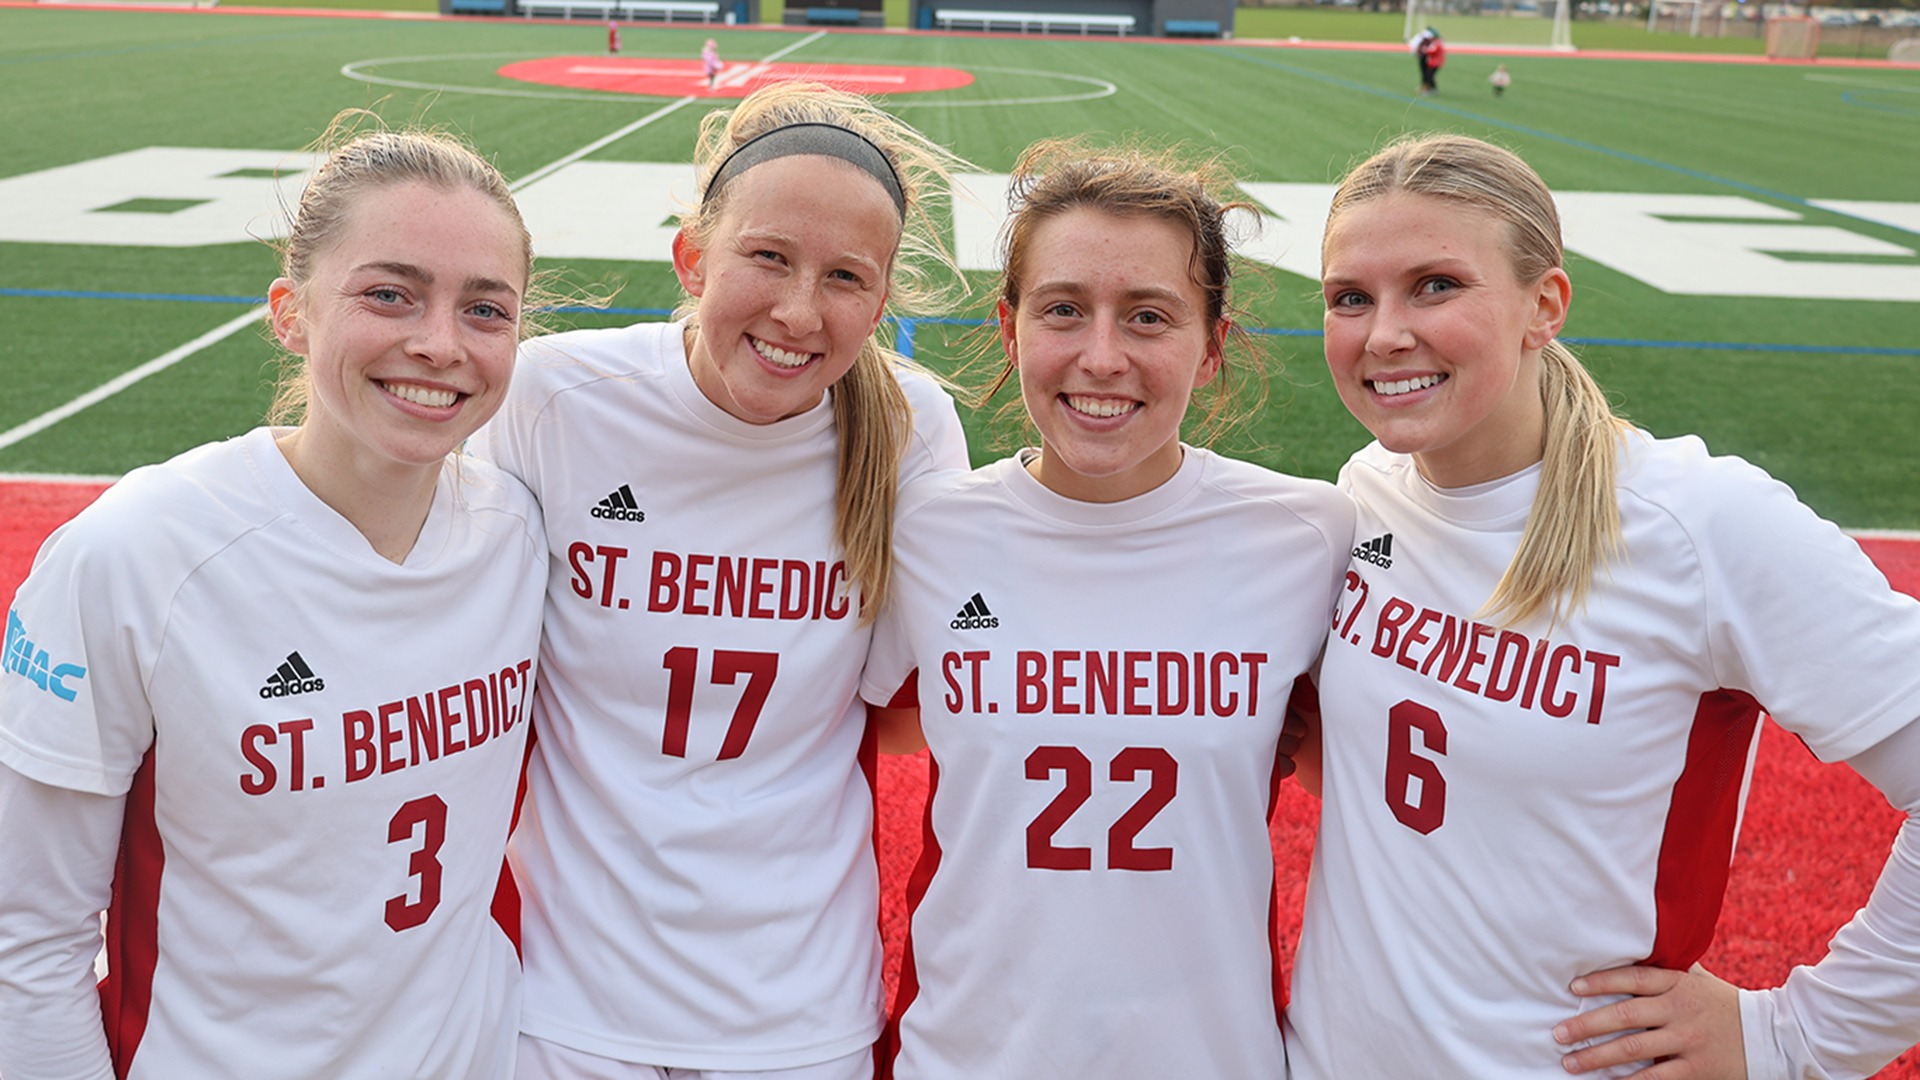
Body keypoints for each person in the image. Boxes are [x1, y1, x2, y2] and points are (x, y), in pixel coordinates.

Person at [1283, 132, 1920, 1078]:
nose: (1383, 335)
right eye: (1351, 297)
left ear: (1545, 305)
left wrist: (1798, 1039)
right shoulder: (1369, 489)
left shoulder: (1698, 524)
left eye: (1436, 285)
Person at [0, 116, 549, 1079]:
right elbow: (25, 942)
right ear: (291, 312)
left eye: (485, 310)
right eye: (390, 294)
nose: (437, 343)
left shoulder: (522, 537)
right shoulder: (137, 558)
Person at [471, 81, 971, 1080]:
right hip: (564, 1001)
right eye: (767, 257)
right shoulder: (555, 398)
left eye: (844, 278)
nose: (797, 309)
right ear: (693, 257)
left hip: (798, 1009)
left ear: (881, 302)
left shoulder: (912, 435)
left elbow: (907, 708)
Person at [859, 139, 1355, 1078]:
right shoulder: (927, 531)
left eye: (1149, 317)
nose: (1101, 356)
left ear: (1212, 346)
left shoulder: (1311, 537)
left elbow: (1386, 773)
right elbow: (878, 726)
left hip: (1213, 1056)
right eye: (1063, 310)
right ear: (1009, 329)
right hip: (965, 1054)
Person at [1413, 27, 1444, 94]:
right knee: (1428, 75)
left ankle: (1430, 88)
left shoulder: (1436, 43)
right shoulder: (1433, 42)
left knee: (1429, 75)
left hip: (1434, 63)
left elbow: (1432, 51)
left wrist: (1424, 50)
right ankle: (1428, 88)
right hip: (1432, 62)